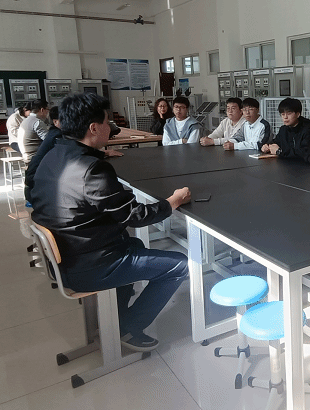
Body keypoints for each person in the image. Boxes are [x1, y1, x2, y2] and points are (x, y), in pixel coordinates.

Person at [30, 93, 190, 352]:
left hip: (67, 255)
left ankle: (116, 318)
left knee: (134, 244)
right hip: (89, 265)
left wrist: (100, 154)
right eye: (107, 122)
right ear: (94, 128)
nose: (111, 127)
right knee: (179, 265)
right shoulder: (92, 170)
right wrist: (172, 202)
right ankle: (129, 326)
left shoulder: (53, 155)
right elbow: (135, 216)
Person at [25, 106, 124, 202]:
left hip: (39, 185)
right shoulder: (58, 137)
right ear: (55, 122)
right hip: (37, 187)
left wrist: (103, 153)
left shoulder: (55, 134)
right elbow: (78, 153)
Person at [17, 98, 50, 163]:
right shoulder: (37, 122)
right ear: (42, 110)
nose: (48, 112)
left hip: (27, 156)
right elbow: (48, 140)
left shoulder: (26, 120)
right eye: (48, 109)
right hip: (35, 158)